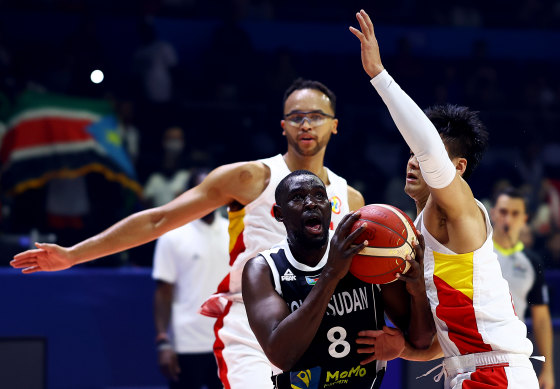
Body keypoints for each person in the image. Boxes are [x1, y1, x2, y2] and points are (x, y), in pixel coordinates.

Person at [11, 78, 365, 389]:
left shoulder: (350, 198)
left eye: (316, 116)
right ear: (283, 126)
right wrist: (73, 255)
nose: (306, 124)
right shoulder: (250, 178)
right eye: (296, 117)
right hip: (252, 323)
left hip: (318, 323)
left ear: (334, 125)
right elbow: (157, 220)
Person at [350, 10, 540, 388]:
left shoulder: (460, 210)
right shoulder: (415, 230)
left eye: (423, 155)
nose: (414, 160)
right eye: (411, 154)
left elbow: (429, 149)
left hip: (497, 374)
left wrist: (380, 77)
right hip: (471, 370)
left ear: (458, 166)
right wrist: (402, 348)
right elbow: (444, 342)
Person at [242, 170, 435, 388]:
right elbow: (282, 356)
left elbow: (421, 341)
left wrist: (417, 290)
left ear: (329, 206)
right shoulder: (263, 269)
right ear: (279, 213)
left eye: (319, 196)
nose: (311, 203)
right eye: (298, 197)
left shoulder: (365, 254)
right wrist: (331, 274)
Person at [153, 171, 229, 389]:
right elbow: (163, 292)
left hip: (228, 343)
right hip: (186, 344)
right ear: (191, 194)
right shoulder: (172, 236)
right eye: (202, 190)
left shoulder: (235, 232)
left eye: (214, 191)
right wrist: (163, 342)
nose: (209, 197)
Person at [491, 187, 555, 389]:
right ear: (493, 213)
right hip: (472, 354)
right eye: (502, 212)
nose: (507, 219)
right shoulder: (476, 253)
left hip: (514, 359)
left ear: (524, 219)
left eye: (515, 213)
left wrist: (548, 368)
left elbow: (542, 319)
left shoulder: (531, 262)